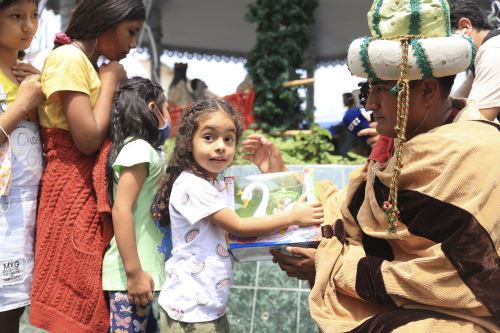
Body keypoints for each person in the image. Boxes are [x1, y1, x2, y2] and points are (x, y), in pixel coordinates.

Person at [244, 1, 500, 331]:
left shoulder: (480, 152)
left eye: (382, 89)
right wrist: (283, 180)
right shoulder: (405, 142)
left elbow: (466, 280)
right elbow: (347, 210)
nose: (369, 104)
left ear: (426, 89)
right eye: (368, 88)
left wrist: (334, 268)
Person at [152, 99, 324, 332]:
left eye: (228, 139)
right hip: (190, 311)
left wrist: (269, 175)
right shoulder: (192, 185)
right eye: (209, 137)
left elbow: (255, 215)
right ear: (188, 142)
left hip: (208, 304)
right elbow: (239, 225)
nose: (221, 146)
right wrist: (293, 217)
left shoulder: (213, 184)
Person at [30, 1, 146, 332]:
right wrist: (108, 80)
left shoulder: (84, 62)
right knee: (75, 290)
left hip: (83, 187)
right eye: (131, 32)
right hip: (69, 190)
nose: (133, 44)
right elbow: (87, 139)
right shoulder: (69, 59)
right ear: (107, 22)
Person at [103, 77, 170, 333]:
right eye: (165, 107)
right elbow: (122, 209)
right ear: (153, 109)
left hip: (141, 276)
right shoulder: (139, 149)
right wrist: (134, 273)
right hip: (131, 278)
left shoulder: (144, 149)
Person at [0, 1, 44, 332]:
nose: (28, 26)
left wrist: (43, 96)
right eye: (16, 16)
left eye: (33, 16)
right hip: (4, 216)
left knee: (13, 311)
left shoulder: (31, 77)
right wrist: (24, 104)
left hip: (28, 214)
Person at [450, 0, 500, 121]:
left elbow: (473, 124)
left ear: (465, 28)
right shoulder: (480, 58)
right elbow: (453, 106)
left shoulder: (493, 49)